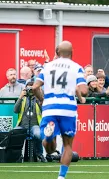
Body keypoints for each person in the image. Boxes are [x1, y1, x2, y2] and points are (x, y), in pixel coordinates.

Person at [31, 41, 88, 179]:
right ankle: (61, 177)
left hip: (50, 107)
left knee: (49, 148)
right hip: (68, 109)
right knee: (68, 145)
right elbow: (84, 91)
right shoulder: (76, 67)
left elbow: (34, 87)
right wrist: (79, 92)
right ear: (72, 53)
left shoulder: (47, 67)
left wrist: (42, 99)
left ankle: (49, 136)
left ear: (57, 53)